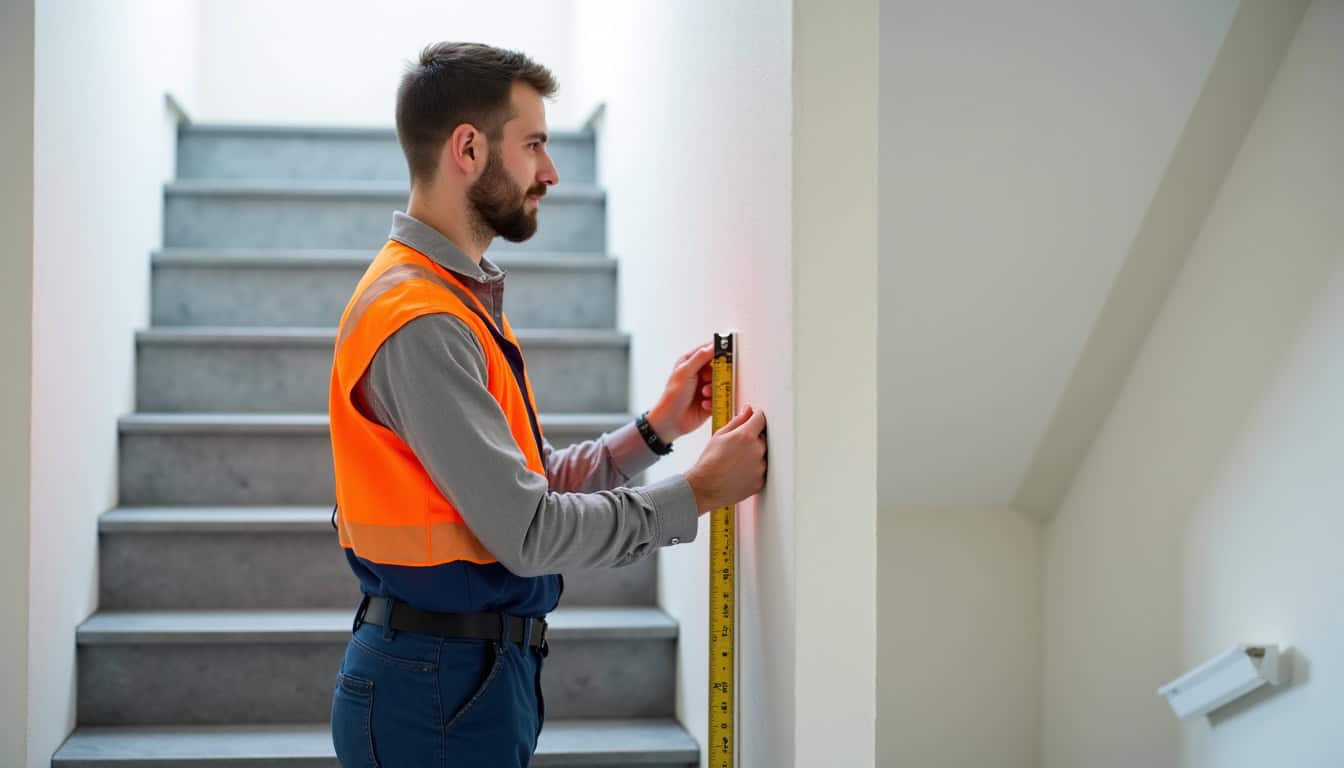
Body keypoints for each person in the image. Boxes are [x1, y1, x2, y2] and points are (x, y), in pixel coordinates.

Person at [328, 41, 769, 767]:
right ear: (468, 148)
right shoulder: (421, 320)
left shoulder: (445, 298)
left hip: (458, 677)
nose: (552, 172)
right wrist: (696, 494)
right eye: (533, 144)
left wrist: (652, 434)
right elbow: (528, 531)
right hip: (434, 692)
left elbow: (515, 492)